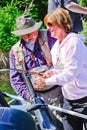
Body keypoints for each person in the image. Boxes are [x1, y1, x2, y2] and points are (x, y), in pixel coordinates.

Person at [35, 8, 87, 130]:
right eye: (48, 25)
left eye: (51, 24)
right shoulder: (56, 47)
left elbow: (70, 73)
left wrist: (46, 82)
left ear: (63, 24)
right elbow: (62, 66)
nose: (49, 28)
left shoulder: (74, 44)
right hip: (69, 99)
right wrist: (52, 72)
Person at [9, 15, 64, 129]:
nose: (30, 36)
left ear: (36, 29)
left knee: (59, 124)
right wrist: (30, 97)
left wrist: (53, 73)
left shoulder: (50, 37)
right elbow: (15, 79)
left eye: (32, 32)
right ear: (20, 34)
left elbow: (63, 62)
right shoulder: (14, 51)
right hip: (33, 96)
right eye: (25, 33)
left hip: (56, 92)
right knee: (37, 125)